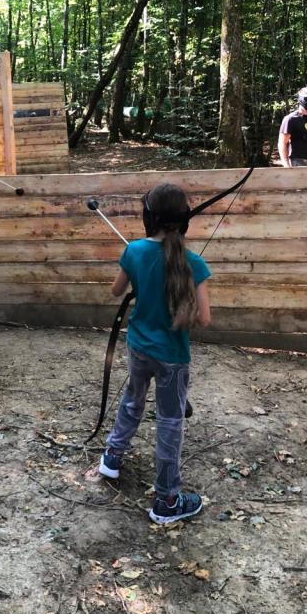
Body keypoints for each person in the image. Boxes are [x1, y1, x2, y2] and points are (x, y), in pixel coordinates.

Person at [98, 183, 212, 525]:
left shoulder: (134, 251)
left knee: (133, 400)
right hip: (172, 357)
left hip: (139, 348)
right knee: (170, 421)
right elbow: (205, 319)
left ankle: (112, 457)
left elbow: (115, 290)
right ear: (184, 221)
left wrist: (140, 274)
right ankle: (166, 501)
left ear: (149, 217)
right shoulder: (194, 263)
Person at [278, 87, 307, 167]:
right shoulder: (290, 119)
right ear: (303, 99)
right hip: (297, 161)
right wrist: (286, 164)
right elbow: (282, 143)